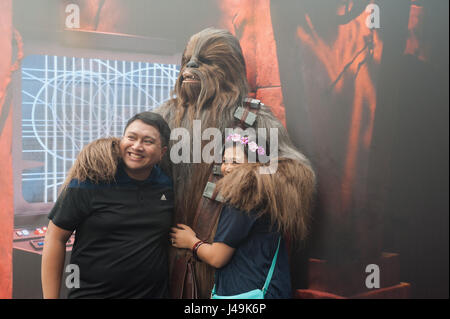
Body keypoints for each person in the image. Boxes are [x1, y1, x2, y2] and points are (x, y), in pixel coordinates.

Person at [155, 28, 315, 299]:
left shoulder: (252, 117)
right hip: (171, 257)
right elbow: (136, 156)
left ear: (228, 71)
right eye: (188, 59)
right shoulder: (167, 115)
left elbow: (295, 173)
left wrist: (248, 181)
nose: (191, 66)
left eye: (205, 60)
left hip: (230, 272)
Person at [41, 112, 173, 298]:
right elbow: (55, 237)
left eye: (148, 141)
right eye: (131, 137)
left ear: (162, 152)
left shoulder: (167, 185)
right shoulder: (90, 181)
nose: (136, 146)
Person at [170, 137, 292, 298]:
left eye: (235, 162)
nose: (227, 168)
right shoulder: (266, 194)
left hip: (245, 292)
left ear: (256, 165)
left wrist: (191, 241)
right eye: (224, 161)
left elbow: (217, 258)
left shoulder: (243, 199)